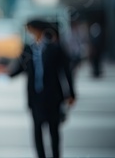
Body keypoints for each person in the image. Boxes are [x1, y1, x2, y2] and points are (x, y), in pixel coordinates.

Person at [9, 19, 76, 158]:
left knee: (54, 130)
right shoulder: (28, 49)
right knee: (37, 131)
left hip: (53, 96)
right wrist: (6, 73)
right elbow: (20, 68)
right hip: (35, 96)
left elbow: (66, 71)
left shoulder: (55, 48)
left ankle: (56, 155)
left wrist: (71, 93)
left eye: (30, 29)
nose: (29, 33)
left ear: (37, 30)